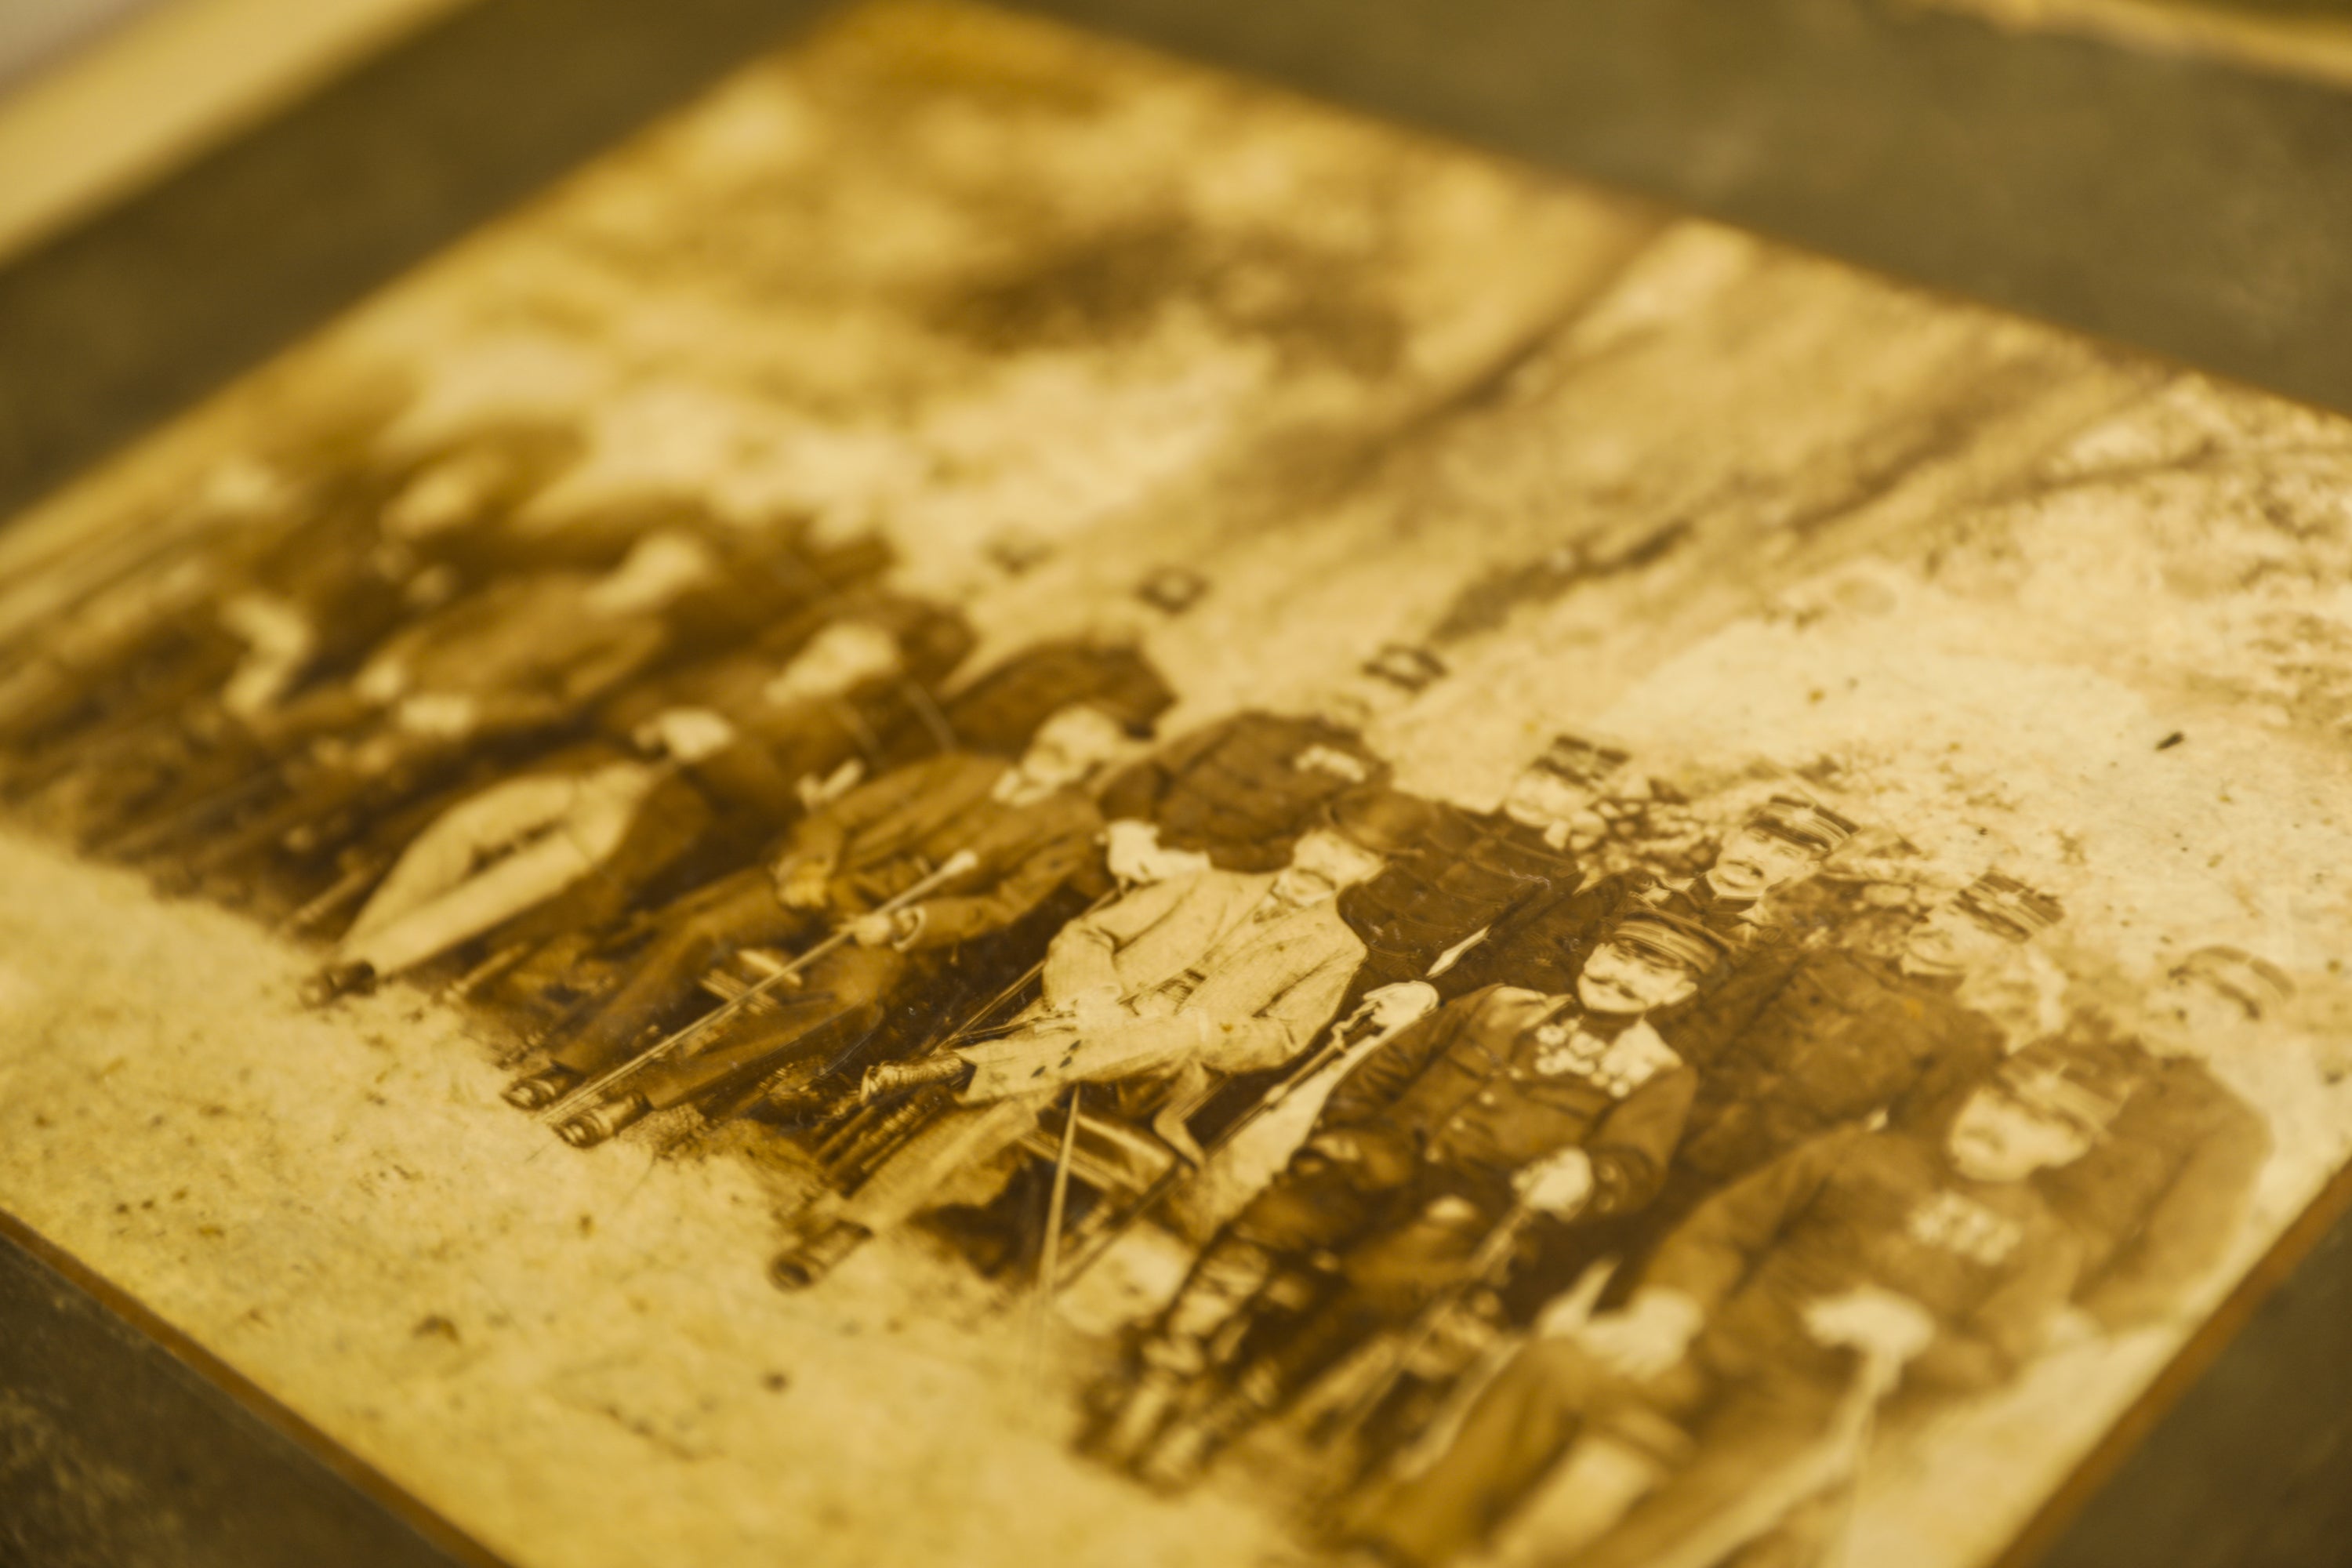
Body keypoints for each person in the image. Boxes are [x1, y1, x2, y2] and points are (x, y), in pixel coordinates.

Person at [1344, 1060, 2114, 1568]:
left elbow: (1994, 1362)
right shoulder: (1858, 1152)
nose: (1998, 1121)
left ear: (2067, 1146)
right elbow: (1725, 1230)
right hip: (1707, 1351)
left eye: (2034, 1118)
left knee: (1738, 1486)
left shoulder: (2044, 1243)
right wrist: (1670, 1309)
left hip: (1806, 1411)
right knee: (1559, 1364)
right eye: (1998, 1098)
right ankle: (1399, 1545)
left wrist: (1917, 1337)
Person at [1102, 909, 1730, 1485]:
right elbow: (1382, 1073)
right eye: (1620, 955)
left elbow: (1633, 1169)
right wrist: (1338, 1139)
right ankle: (1157, 1378)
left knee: (1376, 1291)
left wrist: (1586, 1175)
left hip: (1467, 1212)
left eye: (1652, 972)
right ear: (1594, 953)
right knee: (1265, 1225)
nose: (1623, 977)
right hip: (1369, 1163)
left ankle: (1215, 1423)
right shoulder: (1499, 1002)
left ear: (1676, 994)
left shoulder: (1659, 1075)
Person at [767, 800, 1420, 1290]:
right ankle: (851, 1230)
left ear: (1371, 873)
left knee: (1159, 1032)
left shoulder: (1337, 950)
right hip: (1075, 1023)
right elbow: (1088, 935)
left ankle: (956, 1066)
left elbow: (1283, 1038)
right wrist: (1091, 997)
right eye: (1328, 842)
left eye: (1351, 857)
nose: (1329, 861)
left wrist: (1197, 1031)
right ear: (1306, 838)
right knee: (1014, 1099)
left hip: (1161, 1073)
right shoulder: (1207, 883)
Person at [503, 703, 1131, 1144]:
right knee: (702, 930)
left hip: (889, 927)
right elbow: (841, 814)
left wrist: (903, 925)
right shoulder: (962, 767)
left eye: (1090, 731)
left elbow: (1000, 907)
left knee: (847, 1002)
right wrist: (810, 866)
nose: (1068, 733)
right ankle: (570, 1063)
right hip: (825, 883)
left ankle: (641, 1098)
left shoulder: (1073, 825)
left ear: (1104, 754)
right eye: (1068, 718)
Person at [299, 599, 973, 999]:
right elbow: (626, 702)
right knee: (463, 824)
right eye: (838, 639)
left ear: (874, 672)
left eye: (856, 654)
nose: (835, 653)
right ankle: (353, 951)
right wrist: (661, 720)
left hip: (651, 819)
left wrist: (719, 747)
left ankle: (370, 963)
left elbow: (778, 802)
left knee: (534, 874)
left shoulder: (833, 733)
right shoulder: (738, 670)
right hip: (594, 770)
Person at [169, 531, 723, 880]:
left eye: (674, 574)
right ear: (638, 551)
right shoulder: (557, 584)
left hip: (459, 716)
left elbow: (560, 702)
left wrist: (471, 715)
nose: (656, 575)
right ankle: (171, 823)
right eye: (657, 559)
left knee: (362, 767)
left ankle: (215, 860)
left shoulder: (641, 637)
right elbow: (455, 619)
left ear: (682, 588)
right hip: (407, 677)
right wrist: (392, 661)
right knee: (283, 725)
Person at [2024, 945, 2282, 1329]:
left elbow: (2183, 1253)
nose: (2182, 1010)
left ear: (2239, 1037)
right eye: (2181, 988)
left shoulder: (2229, 1125)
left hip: (2048, 1297)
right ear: (2153, 990)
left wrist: (2084, 1321)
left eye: (2215, 1009)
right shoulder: (2056, 1051)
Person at [1094, 643, 1443, 882]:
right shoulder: (1249, 723)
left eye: (1393, 691)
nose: (1369, 695)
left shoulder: (1370, 774)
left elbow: (1301, 845)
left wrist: (1198, 863)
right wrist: (1129, 834)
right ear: (1349, 678)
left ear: (1403, 707)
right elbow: (1149, 772)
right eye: (1370, 679)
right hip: (1113, 849)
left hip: (1205, 882)